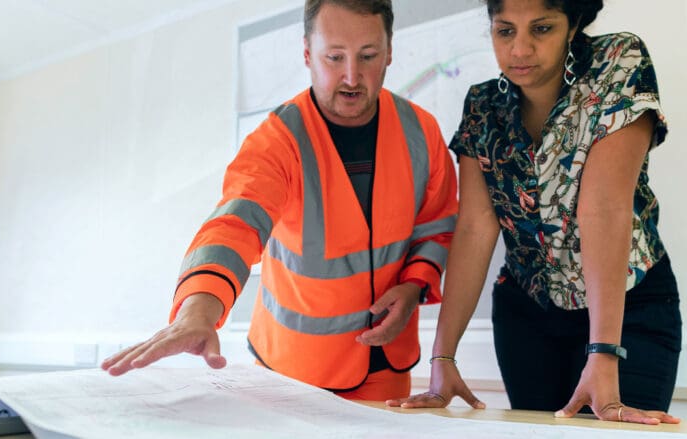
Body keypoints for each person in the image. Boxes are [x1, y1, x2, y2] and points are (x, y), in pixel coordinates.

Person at [100, 0, 458, 401]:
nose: (352, 76)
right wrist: (198, 311)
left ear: (390, 51)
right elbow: (235, 224)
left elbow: (437, 226)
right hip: (292, 373)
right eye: (334, 57)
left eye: (369, 56)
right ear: (307, 54)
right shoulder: (276, 141)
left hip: (386, 366)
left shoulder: (422, 132)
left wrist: (413, 287)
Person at [389, 0, 683, 425]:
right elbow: (474, 227)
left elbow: (602, 207)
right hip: (528, 316)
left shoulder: (618, 61)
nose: (520, 50)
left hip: (628, 310)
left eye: (541, 29)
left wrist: (602, 353)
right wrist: (443, 357)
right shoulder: (483, 106)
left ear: (573, 23)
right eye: (505, 31)